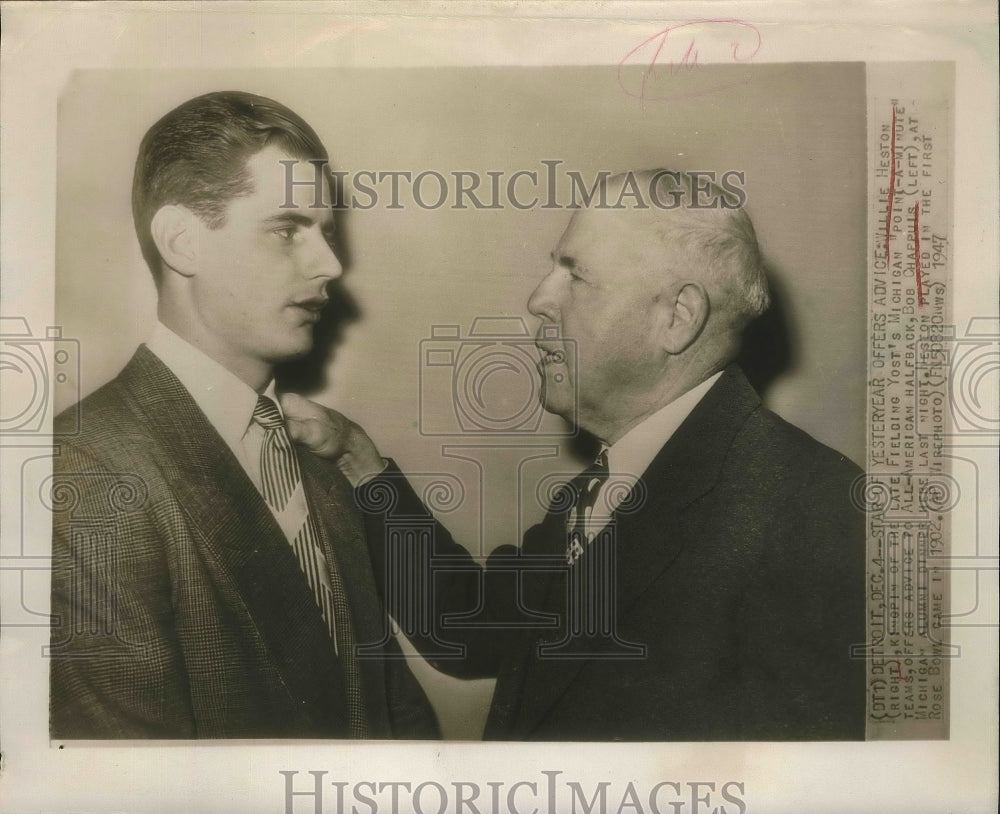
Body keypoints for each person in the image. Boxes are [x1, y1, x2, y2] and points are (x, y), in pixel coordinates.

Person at [286, 170, 867, 741]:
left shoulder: (812, 507)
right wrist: (359, 462)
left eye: (576, 275)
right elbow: (472, 628)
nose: (538, 299)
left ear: (678, 318)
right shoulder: (616, 482)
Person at [49, 91, 438, 740]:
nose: (331, 266)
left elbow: (391, 717)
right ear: (182, 241)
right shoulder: (86, 471)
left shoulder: (317, 461)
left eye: (327, 233)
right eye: (287, 228)